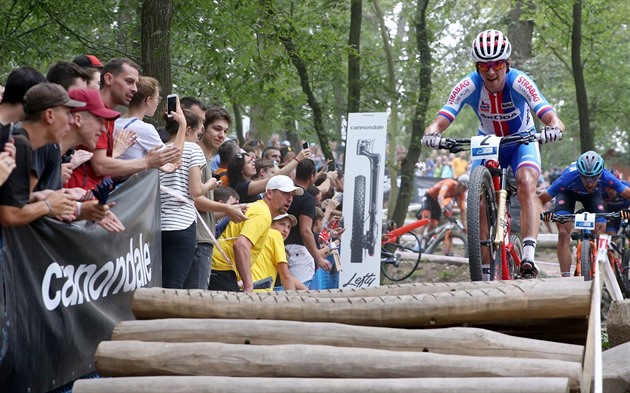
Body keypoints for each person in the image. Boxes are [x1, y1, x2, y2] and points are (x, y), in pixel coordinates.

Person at [422, 29, 565, 278]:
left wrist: (553, 128)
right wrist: (432, 132)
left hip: (523, 139)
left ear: (507, 63)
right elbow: (443, 116)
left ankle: (529, 255)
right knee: (478, 198)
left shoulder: (519, 81)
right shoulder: (469, 84)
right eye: (484, 66)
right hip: (489, 142)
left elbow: (553, 118)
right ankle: (485, 270)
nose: (490, 71)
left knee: (526, 182)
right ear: (477, 67)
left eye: (497, 64)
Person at [66, 58, 180, 191]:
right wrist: (147, 162)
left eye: (136, 84)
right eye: (129, 82)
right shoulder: (96, 113)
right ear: (109, 79)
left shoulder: (110, 116)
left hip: (92, 195)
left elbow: (101, 170)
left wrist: (145, 164)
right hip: (75, 197)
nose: (135, 89)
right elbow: (100, 167)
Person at [539, 151, 630, 277]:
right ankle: (565, 277)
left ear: (600, 174)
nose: (589, 183)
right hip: (567, 194)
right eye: (585, 178)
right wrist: (544, 214)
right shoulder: (567, 178)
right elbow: (540, 199)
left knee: (601, 229)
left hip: (592, 196)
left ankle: (600, 270)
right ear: (579, 174)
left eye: (594, 178)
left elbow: (627, 193)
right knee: (563, 233)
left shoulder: (607, 176)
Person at [0, 83, 80, 226]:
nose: (72, 121)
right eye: (67, 113)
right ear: (49, 115)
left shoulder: (20, 141)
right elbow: (9, 215)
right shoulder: (19, 145)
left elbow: (6, 200)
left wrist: (33, 198)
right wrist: (48, 205)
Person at [209, 175, 302, 292]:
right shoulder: (262, 213)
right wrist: (249, 285)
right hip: (220, 269)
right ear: (269, 193)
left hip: (219, 268)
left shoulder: (257, 208)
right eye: (285, 194)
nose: (290, 199)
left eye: (292, 195)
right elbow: (241, 246)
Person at [189, 106, 248, 290]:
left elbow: (202, 211)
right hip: (196, 241)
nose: (222, 135)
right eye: (216, 128)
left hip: (204, 239)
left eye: (225, 131)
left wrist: (230, 212)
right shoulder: (195, 156)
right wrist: (227, 208)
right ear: (202, 128)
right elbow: (195, 200)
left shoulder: (205, 159)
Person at [160, 108, 217, 289]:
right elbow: (195, 190)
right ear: (188, 130)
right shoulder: (193, 149)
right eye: (199, 133)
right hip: (182, 224)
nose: (198, 139)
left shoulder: (158, 150)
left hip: (158, 224)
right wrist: (210, 184)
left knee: (160, 281)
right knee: (175, 284)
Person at [285, 159, 333, 288]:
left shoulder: (284, 193)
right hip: (298, 252)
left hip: (278, 248)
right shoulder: (306, 199)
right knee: (302, 291)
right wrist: (318, 258)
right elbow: (305, 231)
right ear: (312, 177)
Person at [251, 213, 307, 291]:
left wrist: (305, 290)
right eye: (282, 224)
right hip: (260, 291)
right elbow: (285, 275)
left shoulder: (257, 234)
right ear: (270, 224)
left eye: (289, 227)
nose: (285, 230)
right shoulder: (275, 236)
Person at [418, 174, 468, 256]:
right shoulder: (449, 183)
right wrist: (443, 209)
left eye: (466, 189)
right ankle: (418, 243)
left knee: (433, 225)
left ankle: (425, 244)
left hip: (437, 203)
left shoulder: (462, 194)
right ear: (459, 184)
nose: (465, 190)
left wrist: (465, 226)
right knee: (426, 219)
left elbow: (463, 210)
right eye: (464, 188)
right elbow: (440, 196)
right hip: (429, 197)